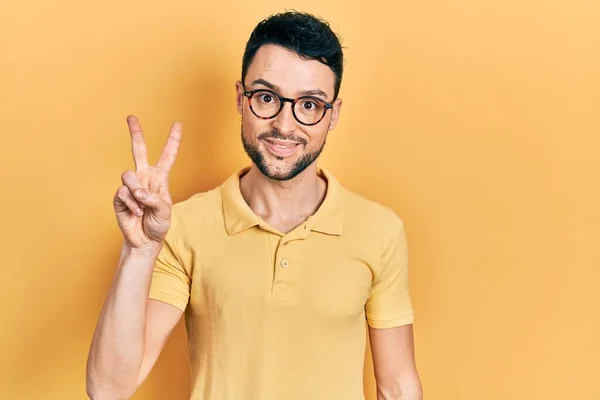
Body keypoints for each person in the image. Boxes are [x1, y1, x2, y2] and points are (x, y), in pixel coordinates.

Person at [86, 10, 422, 400]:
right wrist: (139, 250)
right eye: (266, 97)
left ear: (333, 115)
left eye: (310, 105)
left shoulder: (379, 230)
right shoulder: (184, 226)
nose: (284, 123)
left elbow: (397, 387)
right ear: (240, 100)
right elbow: (108, 389)